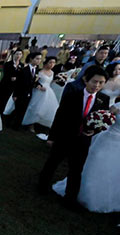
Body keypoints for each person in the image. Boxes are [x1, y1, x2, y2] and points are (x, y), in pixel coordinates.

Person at [38, 65, 110, 209]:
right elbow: (60, 116)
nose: (97, 86)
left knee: (76, 170)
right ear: (85, 80)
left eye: (101, 83)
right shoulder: (73, 94)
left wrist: (93, 132)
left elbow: (103, 120)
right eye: (94, 81)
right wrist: (52, 137)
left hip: (83, 141)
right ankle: (42, 186)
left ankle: (70, 198)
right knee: (52, 162)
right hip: (65, 136)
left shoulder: (103, 99)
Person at [51, 102, 120, 212]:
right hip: (107, 139)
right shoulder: (117, 106)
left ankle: (102, 197)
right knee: (94, 164)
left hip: (118, 147)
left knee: (113, 171)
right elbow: (103, 118)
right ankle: (79, 192)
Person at [22, 56, 59, 131]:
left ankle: (39, 123)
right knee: (35, 107)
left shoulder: (52, 72)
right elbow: (34, 82)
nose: (52, 64)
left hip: (48, 91)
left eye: (54, 63)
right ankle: (30, 124)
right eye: (50, 62)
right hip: (38, 91)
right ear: (46, 63)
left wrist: (56, 80)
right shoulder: (39, 71)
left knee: (46, 108)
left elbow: (50, 82)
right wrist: (39, 87)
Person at [12, 52, 42, 129]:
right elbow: (17, 83)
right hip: (21, 93)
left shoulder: (37, 70)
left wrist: (38, 85)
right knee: (18, 109)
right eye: (37, 59)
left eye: (40, 59)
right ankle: (14, 124)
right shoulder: (24, 70)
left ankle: (18, 124)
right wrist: (15, 95)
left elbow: (34, 81)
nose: (39, 61)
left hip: (29, 93)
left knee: (23, 109)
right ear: (31, 59)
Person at [0, 49, 23, 115]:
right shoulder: (7, 64)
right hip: (6, 85)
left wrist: (17, 78)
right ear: (13, 55)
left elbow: (22, 76)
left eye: (20, 54)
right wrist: (11, 77)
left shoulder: (22, 65)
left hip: (15, 86)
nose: (18, 56)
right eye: (17, 54)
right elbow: (6, 74)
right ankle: (0, 113)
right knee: (3, 100)